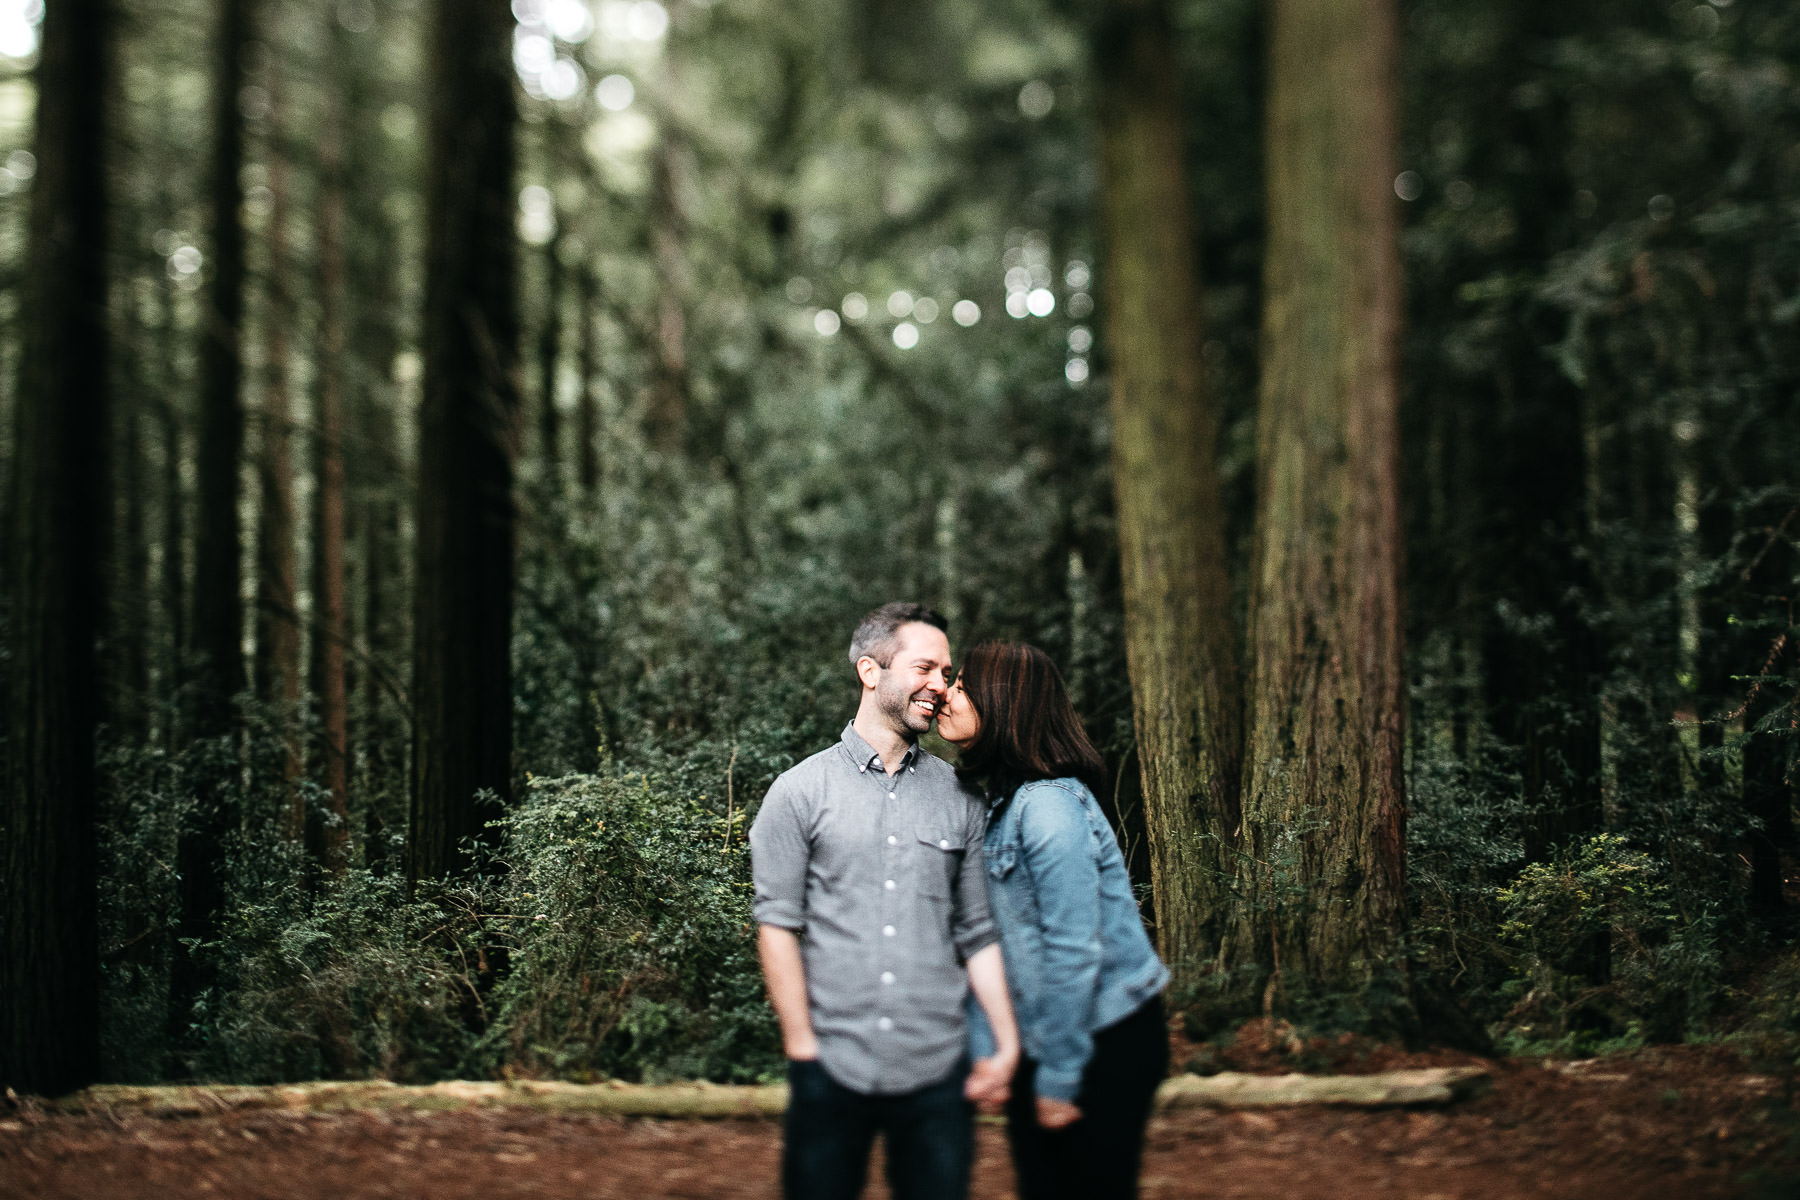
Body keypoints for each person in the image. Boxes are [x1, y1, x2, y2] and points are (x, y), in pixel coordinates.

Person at [750, 602, 1021, 1200]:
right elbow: (776, 926)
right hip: (831, 1064)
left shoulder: (960, 797)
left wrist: (1005, 1044)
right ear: (870, 672)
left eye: (947, 673)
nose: (941, 686)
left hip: (938, 1071)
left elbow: (977, 932)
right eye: (926, 667)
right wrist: (802, 1048)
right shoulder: (798, 793)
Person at [936, 641, 1170, 1200]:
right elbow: (1000, 945)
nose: (946, 693)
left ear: (1005, 702)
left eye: (963, 685)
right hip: (1052, 1037)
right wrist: (990, 1053)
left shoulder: (1047, 806)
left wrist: (1060, 1078)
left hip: (1104, 1040)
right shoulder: (1001, 804)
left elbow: (1072, 949)